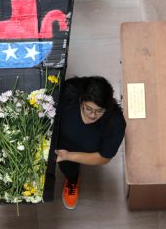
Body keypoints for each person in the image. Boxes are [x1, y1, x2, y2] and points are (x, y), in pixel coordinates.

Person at [54, 75, 126, 209]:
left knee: (69, 169)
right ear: (81, 100)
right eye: (88, 109)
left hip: (79, 153)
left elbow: (103, 158)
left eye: (99, 111)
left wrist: (68, 156)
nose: (92, 115)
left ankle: (72, 181)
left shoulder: (115, 123)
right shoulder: (67, 94)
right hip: (58, 141)